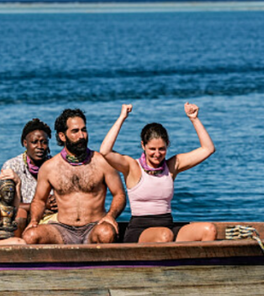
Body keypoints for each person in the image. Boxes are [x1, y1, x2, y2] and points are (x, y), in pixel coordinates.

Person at [99, 102, 216, 243]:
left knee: (210, 229)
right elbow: (105, 151)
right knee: (164, 235)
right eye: (152, 149)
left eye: (161, 149)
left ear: (167, 145)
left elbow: (208, 149)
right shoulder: (132, 167)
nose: (157, 154)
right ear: (143, 145)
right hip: (139, 232)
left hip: (168, 229)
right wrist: (122, 117)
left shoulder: (172, 166)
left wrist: (194, 119)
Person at [22, 109, 126, 245]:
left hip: (94, 226)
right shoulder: (49, 167)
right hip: (62, 229)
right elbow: (39, 200)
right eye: (75, 131)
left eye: (84, 130)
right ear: (62, 136)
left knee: (106, 233)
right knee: (30, 236)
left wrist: (110, 216)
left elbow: (119, 195)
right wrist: (34, 221)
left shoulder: (103, 162)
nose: (82, 136)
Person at [0, 118, 58, 234]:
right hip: (21, 220)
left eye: (44, 142)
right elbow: (8, 205)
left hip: (48, 218)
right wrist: (41, 205)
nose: (40, 146)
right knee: (20, 214)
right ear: (25, 143)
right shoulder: (12, 166)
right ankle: (18, 250)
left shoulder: (56, 165)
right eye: (34, 142)